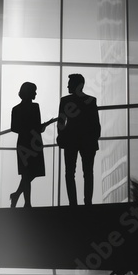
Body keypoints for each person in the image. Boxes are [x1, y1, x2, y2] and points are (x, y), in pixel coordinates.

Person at [57, 74, 101, 206]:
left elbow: (61, 122)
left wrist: (61, 136)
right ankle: (87, 202)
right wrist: (94, 137)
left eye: (70, 83)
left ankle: (73, 203)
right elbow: (95, 123)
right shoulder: (91, 100)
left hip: (71, 139)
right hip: (87, 140)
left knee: (70, 172)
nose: (68, 85)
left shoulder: (65, 101)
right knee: (88, 172)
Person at [10, 82, 51, 208]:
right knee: (30, 173)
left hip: (23, 141)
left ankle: (19, 196)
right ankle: (25, 201)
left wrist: (27, 129)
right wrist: (42, 126)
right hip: (33, 142)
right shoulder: (35, 107)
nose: (35, 93)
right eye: (34, 91)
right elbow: (36, 126)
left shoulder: (16, 109)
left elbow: (14, 128)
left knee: (27, 173)